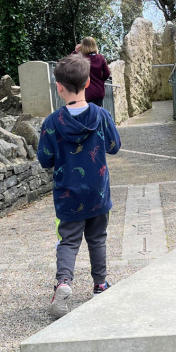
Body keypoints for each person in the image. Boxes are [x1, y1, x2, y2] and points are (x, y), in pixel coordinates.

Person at [37, 55, 121, 318]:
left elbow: (44, 160)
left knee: (68, 241)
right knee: (97, 238)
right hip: (97, 193)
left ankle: (63, 283)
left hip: (67, 195)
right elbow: (113, 146)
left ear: (58, 86)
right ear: (87, 82)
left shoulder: (52, 123)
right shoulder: (101, 115)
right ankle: (99, 284)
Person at [77, 37, 111, 108]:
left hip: (87, 92)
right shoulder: (100, 58)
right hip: (99, 91)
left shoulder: (81, 58)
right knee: (97, 113)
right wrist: (101, 80)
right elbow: (107, 73)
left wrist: (75, 51)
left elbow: (69, 64)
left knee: (88, 115)